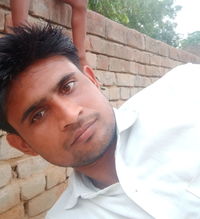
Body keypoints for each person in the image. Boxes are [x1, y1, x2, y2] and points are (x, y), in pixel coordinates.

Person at [0, 24, 200, 219]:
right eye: (38, 115)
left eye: (68, 86)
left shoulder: (186, 88)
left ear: (92, 79)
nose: (70, 116)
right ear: (23, 144)